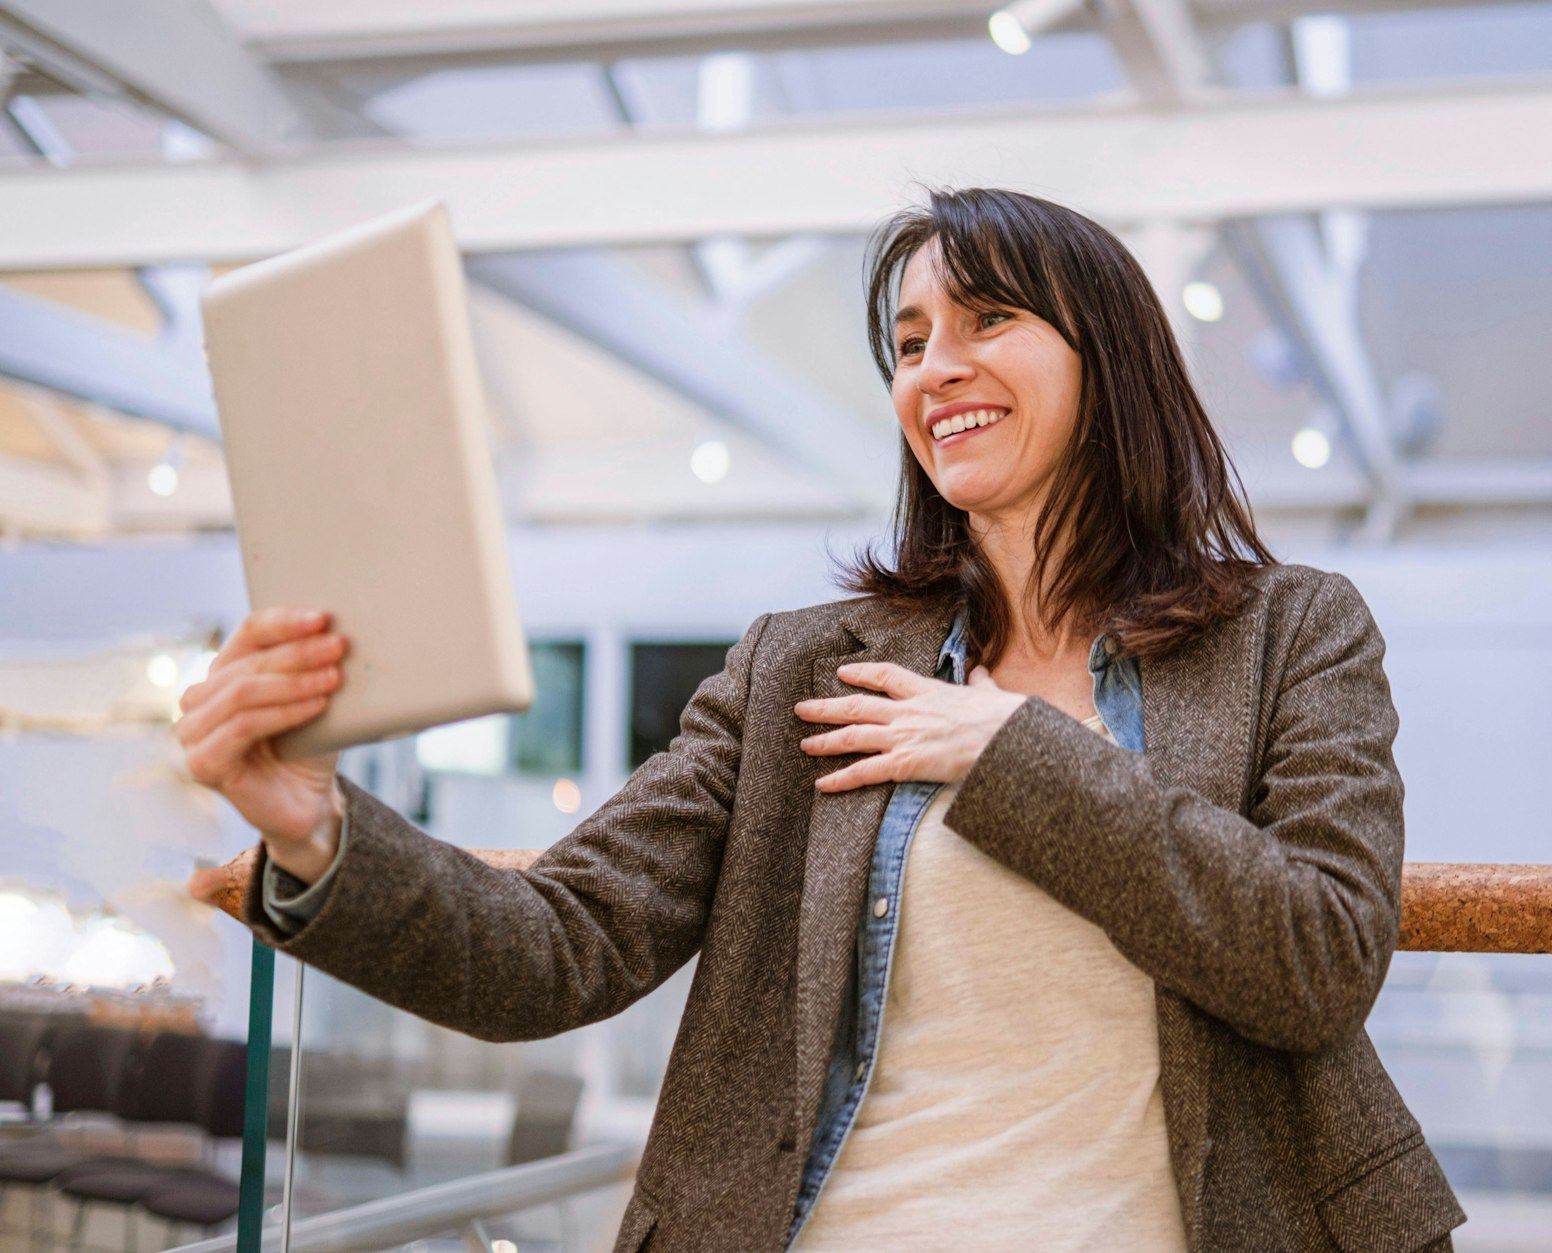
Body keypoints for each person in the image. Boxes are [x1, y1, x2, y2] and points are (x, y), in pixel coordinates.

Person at [179, 187, 1464, 1251]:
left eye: (988, 319)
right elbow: (556, 947)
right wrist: (314, 825)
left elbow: (1318, 956)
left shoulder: (1291, 631)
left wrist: (1008, 750)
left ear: (1110, 357)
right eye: (907, 343)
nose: (934, 368)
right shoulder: (801, 666)